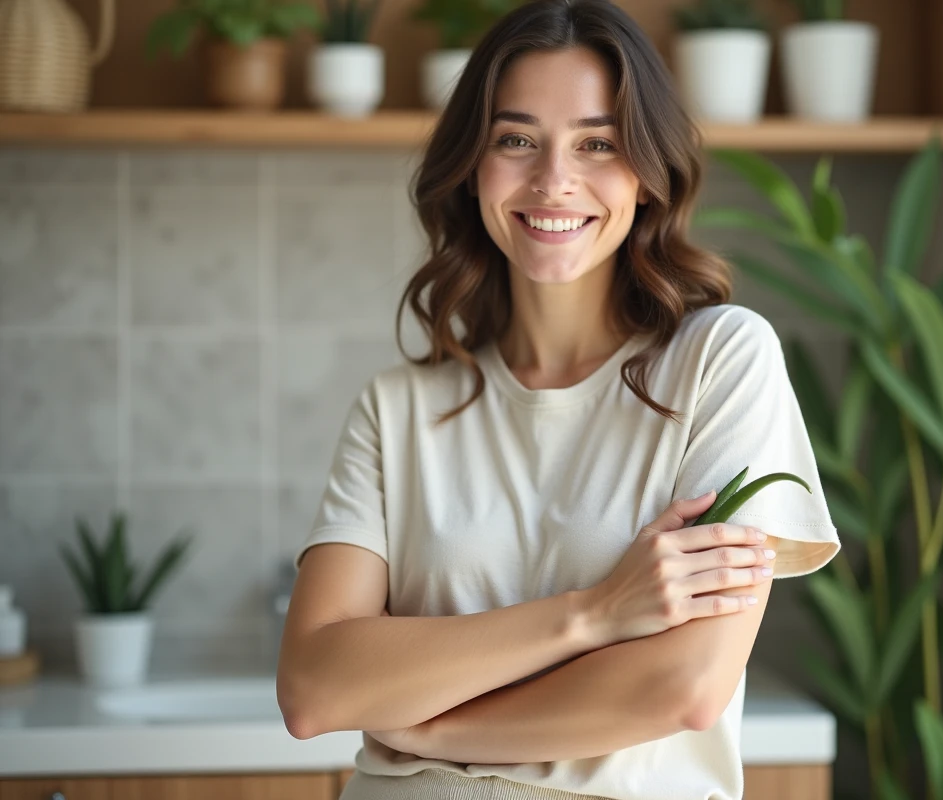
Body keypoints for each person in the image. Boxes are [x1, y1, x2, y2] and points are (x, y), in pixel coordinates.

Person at [276, 0, 841, 797]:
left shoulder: (722, 360)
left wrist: (436, 729)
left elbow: (682, 686)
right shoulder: (396, 408)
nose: (553, 180)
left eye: (597, 143)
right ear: (473, 168)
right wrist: (596, 614)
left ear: (647, 175)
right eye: (516, 140)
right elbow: (313, 689)